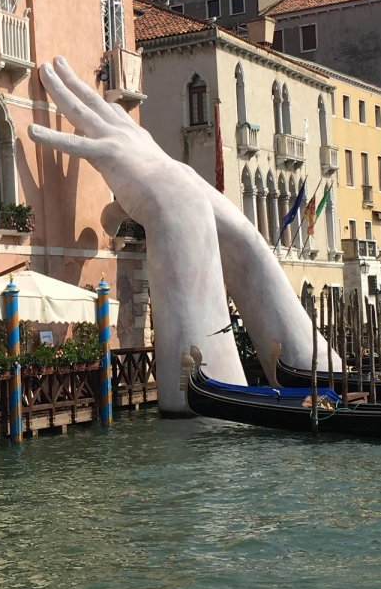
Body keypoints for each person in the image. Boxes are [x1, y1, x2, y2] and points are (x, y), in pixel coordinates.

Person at [28, 58, 338, 411]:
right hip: (304, 385)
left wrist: (176, 206)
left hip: (217, 430)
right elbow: (322, 379)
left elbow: (206, 424)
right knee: (245, 245)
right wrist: (243, 243)